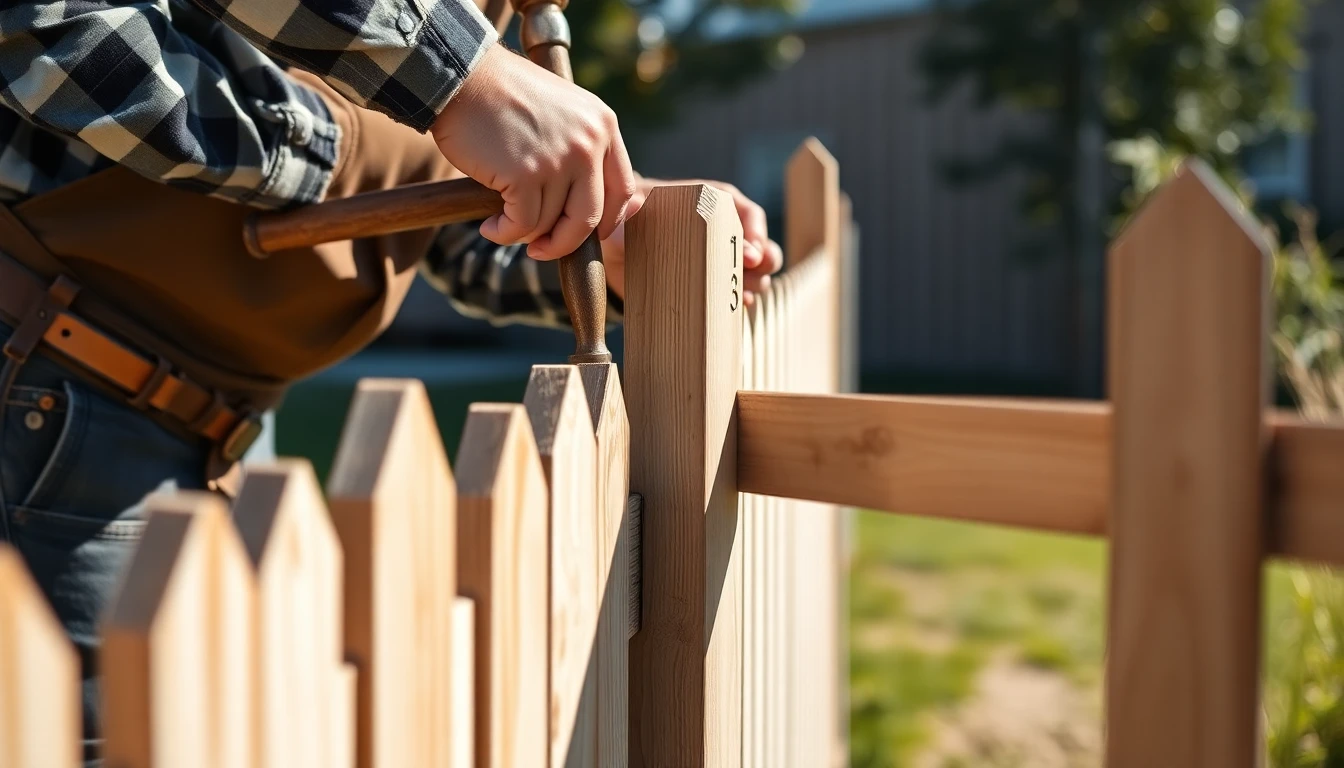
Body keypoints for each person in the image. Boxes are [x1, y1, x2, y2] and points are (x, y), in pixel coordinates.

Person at [0, 0, 781, 763]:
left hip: (171, 432)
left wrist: (607, 250)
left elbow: (449, 233)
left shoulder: (431, 31)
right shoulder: (413, 43)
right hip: (46, 380)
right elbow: (46, 29)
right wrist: (444, 87)